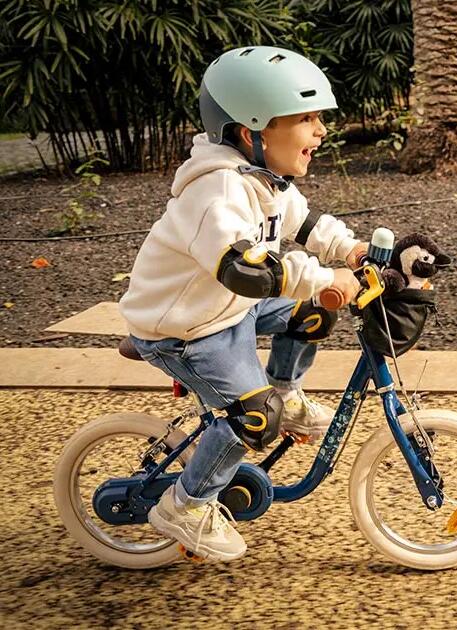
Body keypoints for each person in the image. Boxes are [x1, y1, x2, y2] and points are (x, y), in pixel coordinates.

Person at [119, 46, 367, 562]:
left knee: (313, 312)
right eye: (305, 119)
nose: (320, 130)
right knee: (255, 417)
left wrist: (355, 253)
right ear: (251, 132)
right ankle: (186, 506)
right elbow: (245, 270)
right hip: (185, 329)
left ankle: (287, 394)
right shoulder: (216, 192)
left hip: (226, 310)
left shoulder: (264, 179)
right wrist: (324, 276)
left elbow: (306, 225)